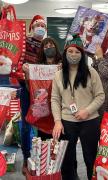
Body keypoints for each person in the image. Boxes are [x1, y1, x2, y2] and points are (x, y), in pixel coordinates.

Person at [51, 34, 105, 180]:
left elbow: (100, 96)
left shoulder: (91, 72)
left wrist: (87, 111)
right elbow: (55, 99)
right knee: (67, 160)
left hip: (90, 121)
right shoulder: (58, 75)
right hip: (67, 122)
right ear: (65, 53)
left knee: (90, 158)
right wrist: (57, 121)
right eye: (70, 51)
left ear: (82, 54)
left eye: (77, 52)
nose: (73, 55)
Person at [20, 15, 47, 175]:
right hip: (26, 88)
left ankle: (42, 157)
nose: (40, 27)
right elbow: (15, 61)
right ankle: (26, 157)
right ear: (31, 27)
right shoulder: (24, 42)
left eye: (43, 25)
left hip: (41, 91)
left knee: (42, 123)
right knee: (26, 125)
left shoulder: (46, 45)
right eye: (37, 24)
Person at [36, 37, 62, 140]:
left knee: (60, 140)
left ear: (56, 47)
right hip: (44, 106)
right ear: (42, 50)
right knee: (44, 140)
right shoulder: (38, 66)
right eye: (45, 47)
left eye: (51, 46)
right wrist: (28, 73)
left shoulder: (63, 64)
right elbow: (33, 89)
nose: (48, 48)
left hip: (60, 105)